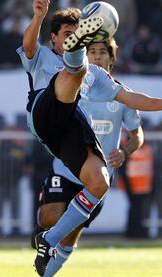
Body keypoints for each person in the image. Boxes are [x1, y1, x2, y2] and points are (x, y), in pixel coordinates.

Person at [16, 1, 162, 275]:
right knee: (73, 72)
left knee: (100, 183)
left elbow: (130, 97)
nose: (71, 36)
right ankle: (49, 232)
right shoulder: (42, 57)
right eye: (69, 35)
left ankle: (49, 241)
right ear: (54, 39)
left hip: (68, 130)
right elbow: (29, 45)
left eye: (77, 34)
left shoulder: (96, 75)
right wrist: (38, 17)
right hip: (44, 113)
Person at [32, 38, 144, 276]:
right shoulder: (74, 90)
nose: (96, 56)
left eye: (102, 52)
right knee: (49, 217)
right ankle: (47, 239)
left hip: (98, 178)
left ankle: (46, 272)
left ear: (112, 60)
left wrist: (125, 151)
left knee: (71, 235)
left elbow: (137, 135)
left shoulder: (123, 96)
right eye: (91, 51)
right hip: (65, 169)